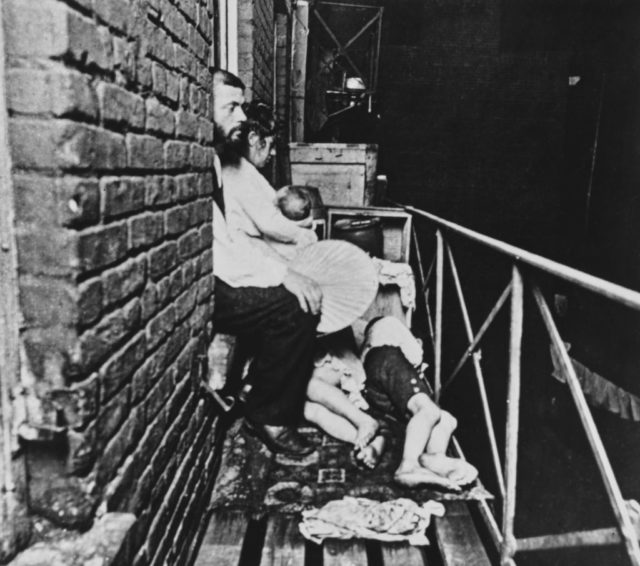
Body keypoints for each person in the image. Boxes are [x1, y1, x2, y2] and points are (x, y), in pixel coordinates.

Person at [211, 69, 323, 457]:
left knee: (298, 291)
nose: (241, 118)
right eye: (231, 108)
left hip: (223, 269)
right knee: (294, 307)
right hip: (208, 281)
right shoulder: (219, 166)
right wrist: (285, 274)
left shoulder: (220, 160)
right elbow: (227, 251)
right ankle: (269, 413)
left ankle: (257, 392)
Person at [304, 315, 478, 490]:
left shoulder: (349, 346)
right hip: (382, 361)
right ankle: (408, 466)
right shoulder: (382, 337)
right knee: (428, 411)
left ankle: (433, 457)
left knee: (445, 419)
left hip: (372, 389)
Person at [222, 100, 317, 262]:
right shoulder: (238, 172)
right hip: (245, 252)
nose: (273, 153)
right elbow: (269, 222)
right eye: (270, 145)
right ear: (253, 139)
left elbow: (273, 206)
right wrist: (302, 234)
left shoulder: (247, 169)